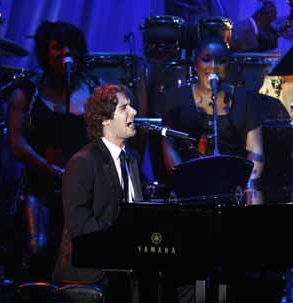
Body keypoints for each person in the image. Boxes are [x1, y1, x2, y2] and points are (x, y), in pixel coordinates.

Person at [8, 21, 100, 281]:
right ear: (45, 52)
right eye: (57, 47)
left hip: (83, 191)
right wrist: (55, 171)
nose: (65, 53)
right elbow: (17, 144)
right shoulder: (27, 92)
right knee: (39, 253)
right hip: (41, 187)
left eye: (71, 47)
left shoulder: (93, 88)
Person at [53, 84, 144, 302]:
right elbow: (81, 227)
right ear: (105, 120)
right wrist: (125, 236)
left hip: (123, 269)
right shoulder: (83, 162)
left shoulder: (131, 159)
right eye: (124, 108)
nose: (134, 112)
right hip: (90, 274)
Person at [155, 37, 265, 192]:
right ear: (195, 64)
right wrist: (184, 185)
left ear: (229, 65)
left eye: (221, 61)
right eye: (206, 60)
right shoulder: (175, 99)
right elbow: (168, 148)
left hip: (234, 187)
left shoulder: (245, 100)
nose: (213, 67)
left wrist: (248, 189)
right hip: (188, 187)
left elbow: (256, 152)